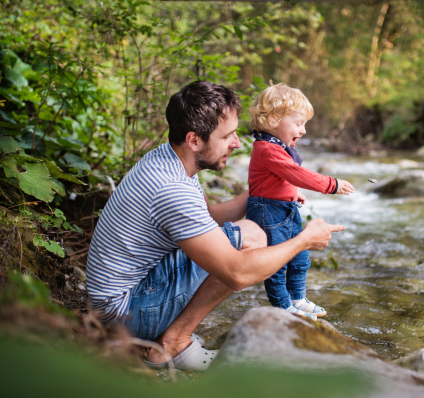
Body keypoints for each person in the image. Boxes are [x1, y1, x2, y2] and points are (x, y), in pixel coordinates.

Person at [86, 80, 344, 371]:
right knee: (253, 237)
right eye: (227, 136)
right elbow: (236, 273)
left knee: (244, 233)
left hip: (119, 301)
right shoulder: (172, 189)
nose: (236, 143)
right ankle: (173, 344)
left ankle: (170, 335)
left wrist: (261, 193)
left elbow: (206, 215)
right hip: (124, 317)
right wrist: (304, 240)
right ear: (194, 140)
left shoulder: (170, 158)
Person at [246, 83, 355, 321]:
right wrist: (331, 184)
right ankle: (282, 306)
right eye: (298, 123)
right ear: (274, 120)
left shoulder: (277, 147)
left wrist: (292, 192)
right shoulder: (266, 149)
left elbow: (283, 176)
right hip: (268, 212)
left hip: (284, 208)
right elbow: (295, 173)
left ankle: (297, 298)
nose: (303, 130)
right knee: (276, 262)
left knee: (300, 256)